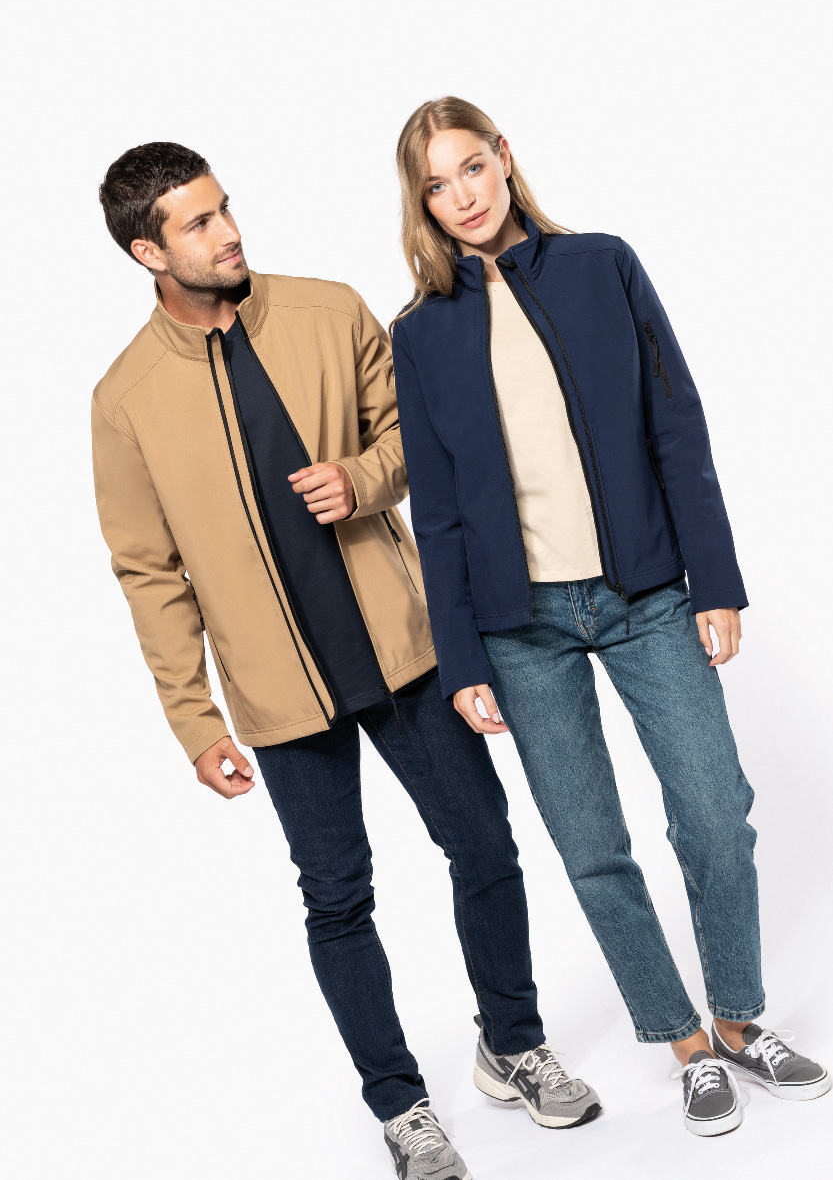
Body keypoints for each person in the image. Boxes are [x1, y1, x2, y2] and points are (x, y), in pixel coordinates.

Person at [91, 142, 601, 1179]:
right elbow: (147, 571)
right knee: (336, 899)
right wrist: (194, 720)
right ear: (148, 251)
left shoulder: (326, 311)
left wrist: (362, 478)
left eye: (224, 208)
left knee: (485, 847)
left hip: (402, 651)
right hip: (279, 692)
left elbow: (419, 434)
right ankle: (401, 1106)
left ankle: (511, 1042)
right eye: (198, 223)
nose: (228, 232)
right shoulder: (125, 399)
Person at [389, 97, 829, 1138]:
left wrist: (713, 579)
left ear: (504, 158)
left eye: (470, 167)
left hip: (642, 593)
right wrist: (462, 657)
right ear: (421, 204)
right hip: (520, 625)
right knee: (591, 846)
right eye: (435, 185)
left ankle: (736, 1018)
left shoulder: (601, 265)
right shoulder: (420, 330)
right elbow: (437, 509)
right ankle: (683, 1045)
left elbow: (674, 420)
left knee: (713, 812)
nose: (461, 196)